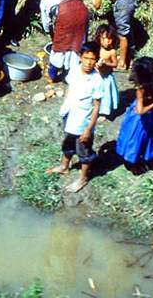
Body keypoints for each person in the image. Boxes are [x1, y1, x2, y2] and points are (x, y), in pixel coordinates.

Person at [46, 42, 103, 193]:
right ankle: (64, 166)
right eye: (86, 58)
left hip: (83, 122)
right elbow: (69, 87)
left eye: (92, 59)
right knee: (68, 142)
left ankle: (83, 177)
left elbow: (97, 106)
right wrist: (65, 106)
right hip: (70, 115)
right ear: (80, 57)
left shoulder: (97, 80)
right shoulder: (75, 70)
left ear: (96, 60)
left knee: (84, 151)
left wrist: (88, 129)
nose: (89, 62)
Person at [68, 0, 137, 71]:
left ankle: (122, 63)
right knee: (127, 31)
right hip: (126, 0)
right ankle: (130, 59)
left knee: (123, 34)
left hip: (122, 3)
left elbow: (97, 6)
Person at [116, 57, 153, 174]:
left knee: (137, 139)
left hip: (141, 119)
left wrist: (150, 105)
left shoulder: (141, 90)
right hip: (147, 117)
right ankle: (138, 161)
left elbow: (139, 110)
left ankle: (135, 161)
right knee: (144, 138)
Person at [38, 0, 89, 82]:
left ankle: (52, 75)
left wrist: (53, 37)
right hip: (84, 14)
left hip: (67, 15)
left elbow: (46, 25)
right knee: (77, 43)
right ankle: (72, 72)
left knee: (59, 47)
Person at [94, 24, 120, 117]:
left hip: (106, 78)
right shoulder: (97, 49)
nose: (106, 42)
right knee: (95, 94)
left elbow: (115, 64)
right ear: (98, 37)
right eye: (104, 38)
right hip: (96, 76)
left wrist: (106, 63)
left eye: (109, 39)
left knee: (106, 97)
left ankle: (104, 113)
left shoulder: (112, 51)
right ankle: (94, 110)